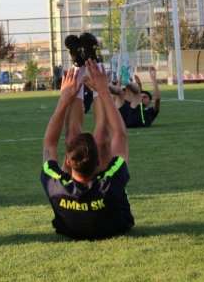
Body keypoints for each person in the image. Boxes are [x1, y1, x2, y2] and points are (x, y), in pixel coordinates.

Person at [41, 59, 134, 240]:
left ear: (68, 162)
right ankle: (93, 63)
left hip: (70, 229)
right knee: (101, 135)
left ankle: (79, 67)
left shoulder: (56, 186)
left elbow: (49, 144)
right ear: (100, 164)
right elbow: (119, 135)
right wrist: (103, 91)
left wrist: (64, 99)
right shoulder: (109, 184)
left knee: (73, 136)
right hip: (114, 225)